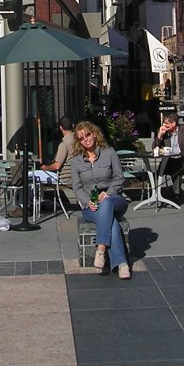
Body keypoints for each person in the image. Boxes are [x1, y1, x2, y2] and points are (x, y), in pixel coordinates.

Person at [70, 121, 130, 280]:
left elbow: (119, 178)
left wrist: (109, 193)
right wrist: (87, 200)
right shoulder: (76, 161)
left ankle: (101, 248)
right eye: (81, 138)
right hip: (91, 204)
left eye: (87, 135)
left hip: (114, 199)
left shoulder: (109, 152)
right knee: (112, 223)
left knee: (108, 203)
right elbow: (77, 187)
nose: (85, 140)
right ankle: (122, 264)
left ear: (94, 134)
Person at [156, 111, 184, 202]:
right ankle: (156, 193)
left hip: (183, 159)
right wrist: (160, 135)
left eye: (166, 123)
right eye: (164, 123)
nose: (164, 125)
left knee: (176, 168)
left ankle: (177, 194)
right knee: (158, 172)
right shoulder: (164, 132)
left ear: (174, 123)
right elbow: (155, 147)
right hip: (169, 159)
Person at [33, 116, 75, 184]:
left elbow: (57, 166)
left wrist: (45, 168)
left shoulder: (64, 144)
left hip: (65, 178)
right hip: (77, 177)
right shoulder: (80, 140)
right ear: (73, 125)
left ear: (60, 128)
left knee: (32, 175)